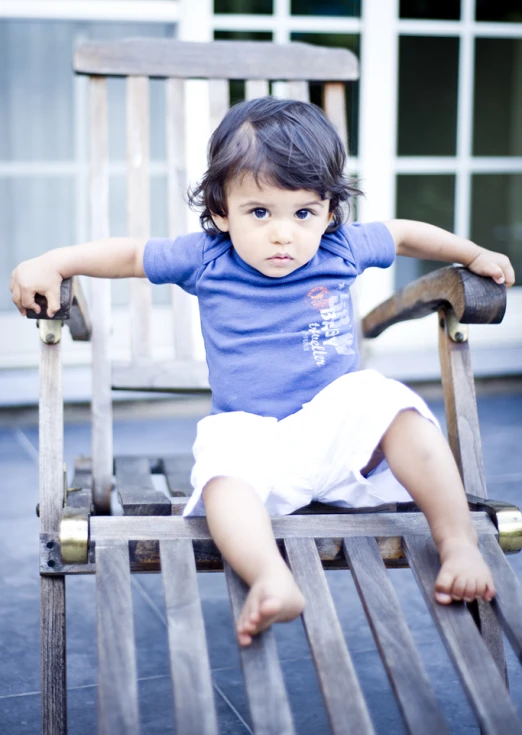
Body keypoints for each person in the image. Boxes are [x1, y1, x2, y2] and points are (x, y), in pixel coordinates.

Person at [10, 98, 515, 648]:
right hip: (252, 436)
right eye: (260, 213)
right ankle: (271, 578)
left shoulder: (341, 247)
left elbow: (405, 234)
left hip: (337, 431)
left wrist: (474, 252)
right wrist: (55, 261)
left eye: (303, 213)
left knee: (389, 403)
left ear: (328, 211)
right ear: (221, 212)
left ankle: (457, 540)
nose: (284, 234)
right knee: (221, 477)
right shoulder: (205, 258)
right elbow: (130, 255)